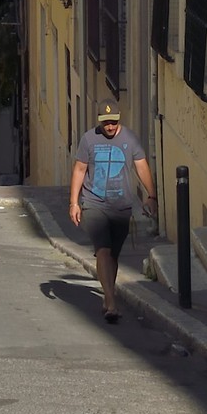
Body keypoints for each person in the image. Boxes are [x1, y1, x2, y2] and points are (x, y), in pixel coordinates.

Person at [69, 101, 154, 322]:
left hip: (121, 205)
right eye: (106, 122)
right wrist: (74, 203)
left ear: (119, 119)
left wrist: (151, 195)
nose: (110, 126)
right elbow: (80, 169)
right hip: (94, 203)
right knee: (103, 250)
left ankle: (108, 294)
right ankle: (111, 301)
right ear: (100, 121)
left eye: (113, 121)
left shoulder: (130, 139)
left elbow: (142, 165)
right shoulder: (88, 139)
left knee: (113, 255)